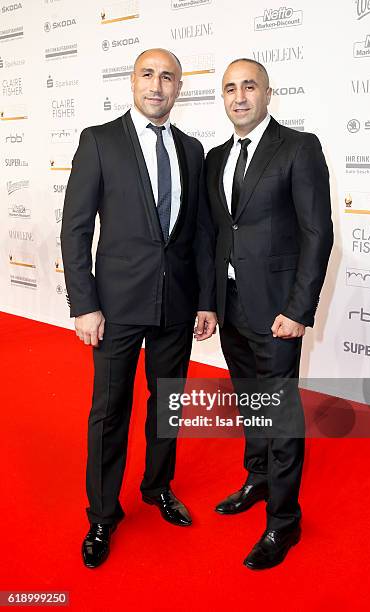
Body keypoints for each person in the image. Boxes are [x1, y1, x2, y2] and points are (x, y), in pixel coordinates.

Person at [61, 48, 217, 569]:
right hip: (116, 306)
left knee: (166, 405)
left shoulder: (193, 151)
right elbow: (76, 228)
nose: (157, 85)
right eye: (148, 75)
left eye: (168, 76)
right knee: (109, 412)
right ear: (132, 82)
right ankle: (103, 514)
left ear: (179, 87)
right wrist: (85, 305)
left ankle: (158, 486)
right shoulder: (99, 141)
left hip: (176, 304)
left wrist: (204, 302)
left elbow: (198, 234)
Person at [205, 58, 333, 570]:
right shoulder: (216, 158)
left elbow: (316, 234)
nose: (239, 97)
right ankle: (257, 479)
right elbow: (217, 236)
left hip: (279, 312)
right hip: (232, 309)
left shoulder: (299, 148)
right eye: (230, 88)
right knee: (250, 402)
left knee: (280, 414)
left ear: (267, 93)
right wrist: (209, 304)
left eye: (249, 86)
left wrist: (298, 309)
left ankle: (284, 522)